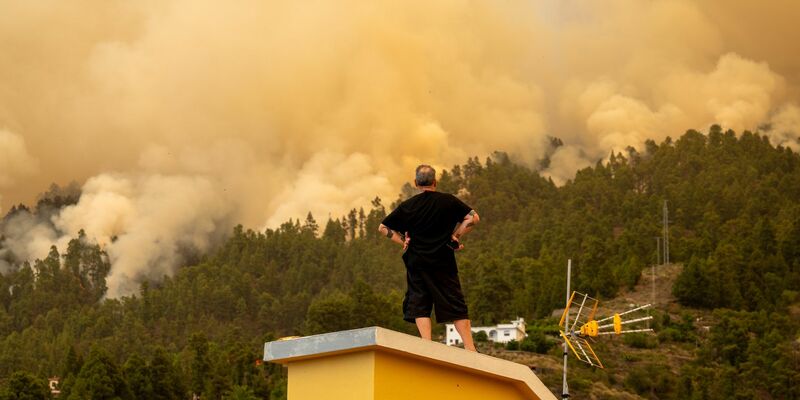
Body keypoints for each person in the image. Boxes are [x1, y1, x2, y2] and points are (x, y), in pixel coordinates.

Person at [378, 164, 480, 351]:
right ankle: (469, 347)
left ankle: (427, 345)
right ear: (435, 182)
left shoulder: (407, 206)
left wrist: (403, 242)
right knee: (455, 302)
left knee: (419, 302)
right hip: (443, 260)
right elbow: (473, 218)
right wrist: (456, 236)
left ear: (416, 183)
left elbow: (383, 228)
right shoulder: (448, 201)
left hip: (417, 262)